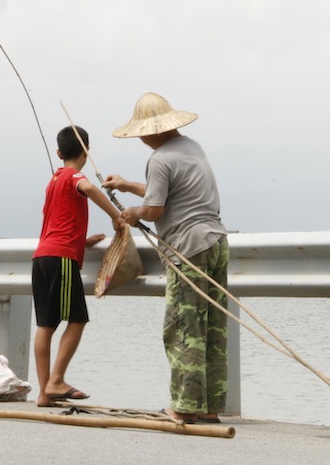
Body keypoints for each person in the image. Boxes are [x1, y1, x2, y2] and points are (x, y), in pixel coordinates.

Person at [103, 93, 228, 424]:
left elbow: (156, 208)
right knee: (213, 328)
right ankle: (211, 406)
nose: (141, 139)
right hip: (216, 240)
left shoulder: (159, 158)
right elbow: (169, 192)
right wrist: (128, 185)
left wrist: (132, 213)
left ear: (152, 131)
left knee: (184, 328)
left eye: (142, 133)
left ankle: (185, 406)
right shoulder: (191, 147)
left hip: (188, 247)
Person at [32, 125, 124, 407]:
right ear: (87, 151)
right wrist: (117, 216)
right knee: (78, 318)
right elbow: (89, 189)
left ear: (58, 152)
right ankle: (57, 380)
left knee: (46, 324)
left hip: (42, 257)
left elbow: (54, 223)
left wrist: (80, 242)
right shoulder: (74, 176)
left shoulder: (54, 180)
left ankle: (44, 392)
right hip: (61, 259)